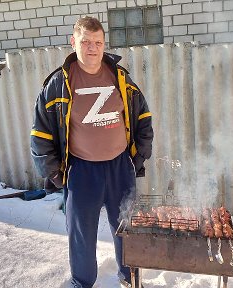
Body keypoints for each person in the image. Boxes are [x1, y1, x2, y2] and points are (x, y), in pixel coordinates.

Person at [30, 16, 153, 288]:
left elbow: (143, 117)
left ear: (104, 44)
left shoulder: (120, 78)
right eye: (86, 41)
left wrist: (137, 158)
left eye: (98, 42)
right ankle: (82, 282)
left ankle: (130, 276)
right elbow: (40, 134)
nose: (92, 48)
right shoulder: (58, 83)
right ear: (73, 42)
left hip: (120, 167)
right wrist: (55, 174)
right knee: (81, 234)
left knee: (126, 229)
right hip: (82, 170)